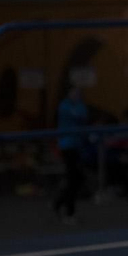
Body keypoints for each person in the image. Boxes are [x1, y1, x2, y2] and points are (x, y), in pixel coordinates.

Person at [52, 83, 90, 223]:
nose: (76, 94)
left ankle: (59, 203)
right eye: (74, 92)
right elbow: (77, 115)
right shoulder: (64, 106)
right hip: (67, 146)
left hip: (78, 145)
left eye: (78, 92)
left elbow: (83, 115)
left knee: (77, 178)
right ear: (68, 93)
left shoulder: (79, 105)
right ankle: (68, 211)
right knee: (72, 178)